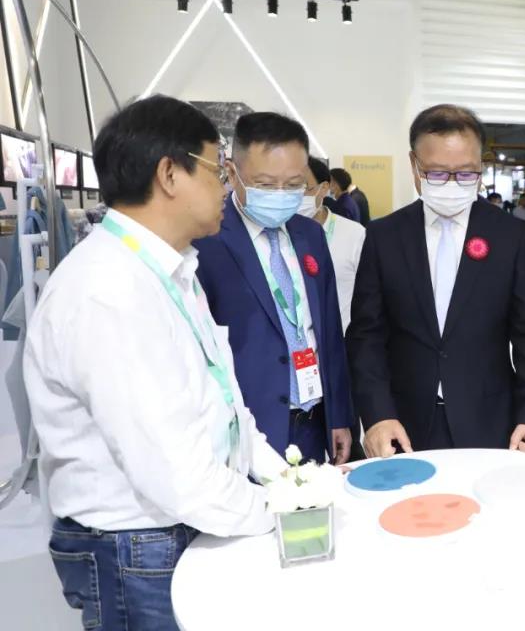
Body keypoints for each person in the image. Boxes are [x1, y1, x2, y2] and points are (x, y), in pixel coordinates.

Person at [24, 95, 287, 630]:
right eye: (218, 169)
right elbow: (173, 473)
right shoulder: (108, 290)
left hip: (179, 527)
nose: (226, 187)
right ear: (169, 174)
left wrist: (286, 479)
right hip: (136, 548)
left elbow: (222, 401)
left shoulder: (168, 271)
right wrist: (278, 510)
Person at [348, 104, 525, 456]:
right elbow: (367, 335)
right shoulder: (385, 236)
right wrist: (377, 414)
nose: (453, 184)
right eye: (438, 173)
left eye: (467, 174)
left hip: (491, 421)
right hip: (403, 424)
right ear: (415, 166)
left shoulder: (512, 237)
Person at [194, 113, 353, 465]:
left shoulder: (310, 235)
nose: (281, 195)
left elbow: (329, 331)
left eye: (294, 184)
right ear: (232, 172)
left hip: (314, 420)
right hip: (250, 428)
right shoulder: (207, 242)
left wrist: (339, 415)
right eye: (265, 185)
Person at [300, 156, 366, 331]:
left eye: (303, 187)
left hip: (343, 337)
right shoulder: (277, 235)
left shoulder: (354, 234)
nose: (296, 196)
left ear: (323, 188)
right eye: (289, 187)